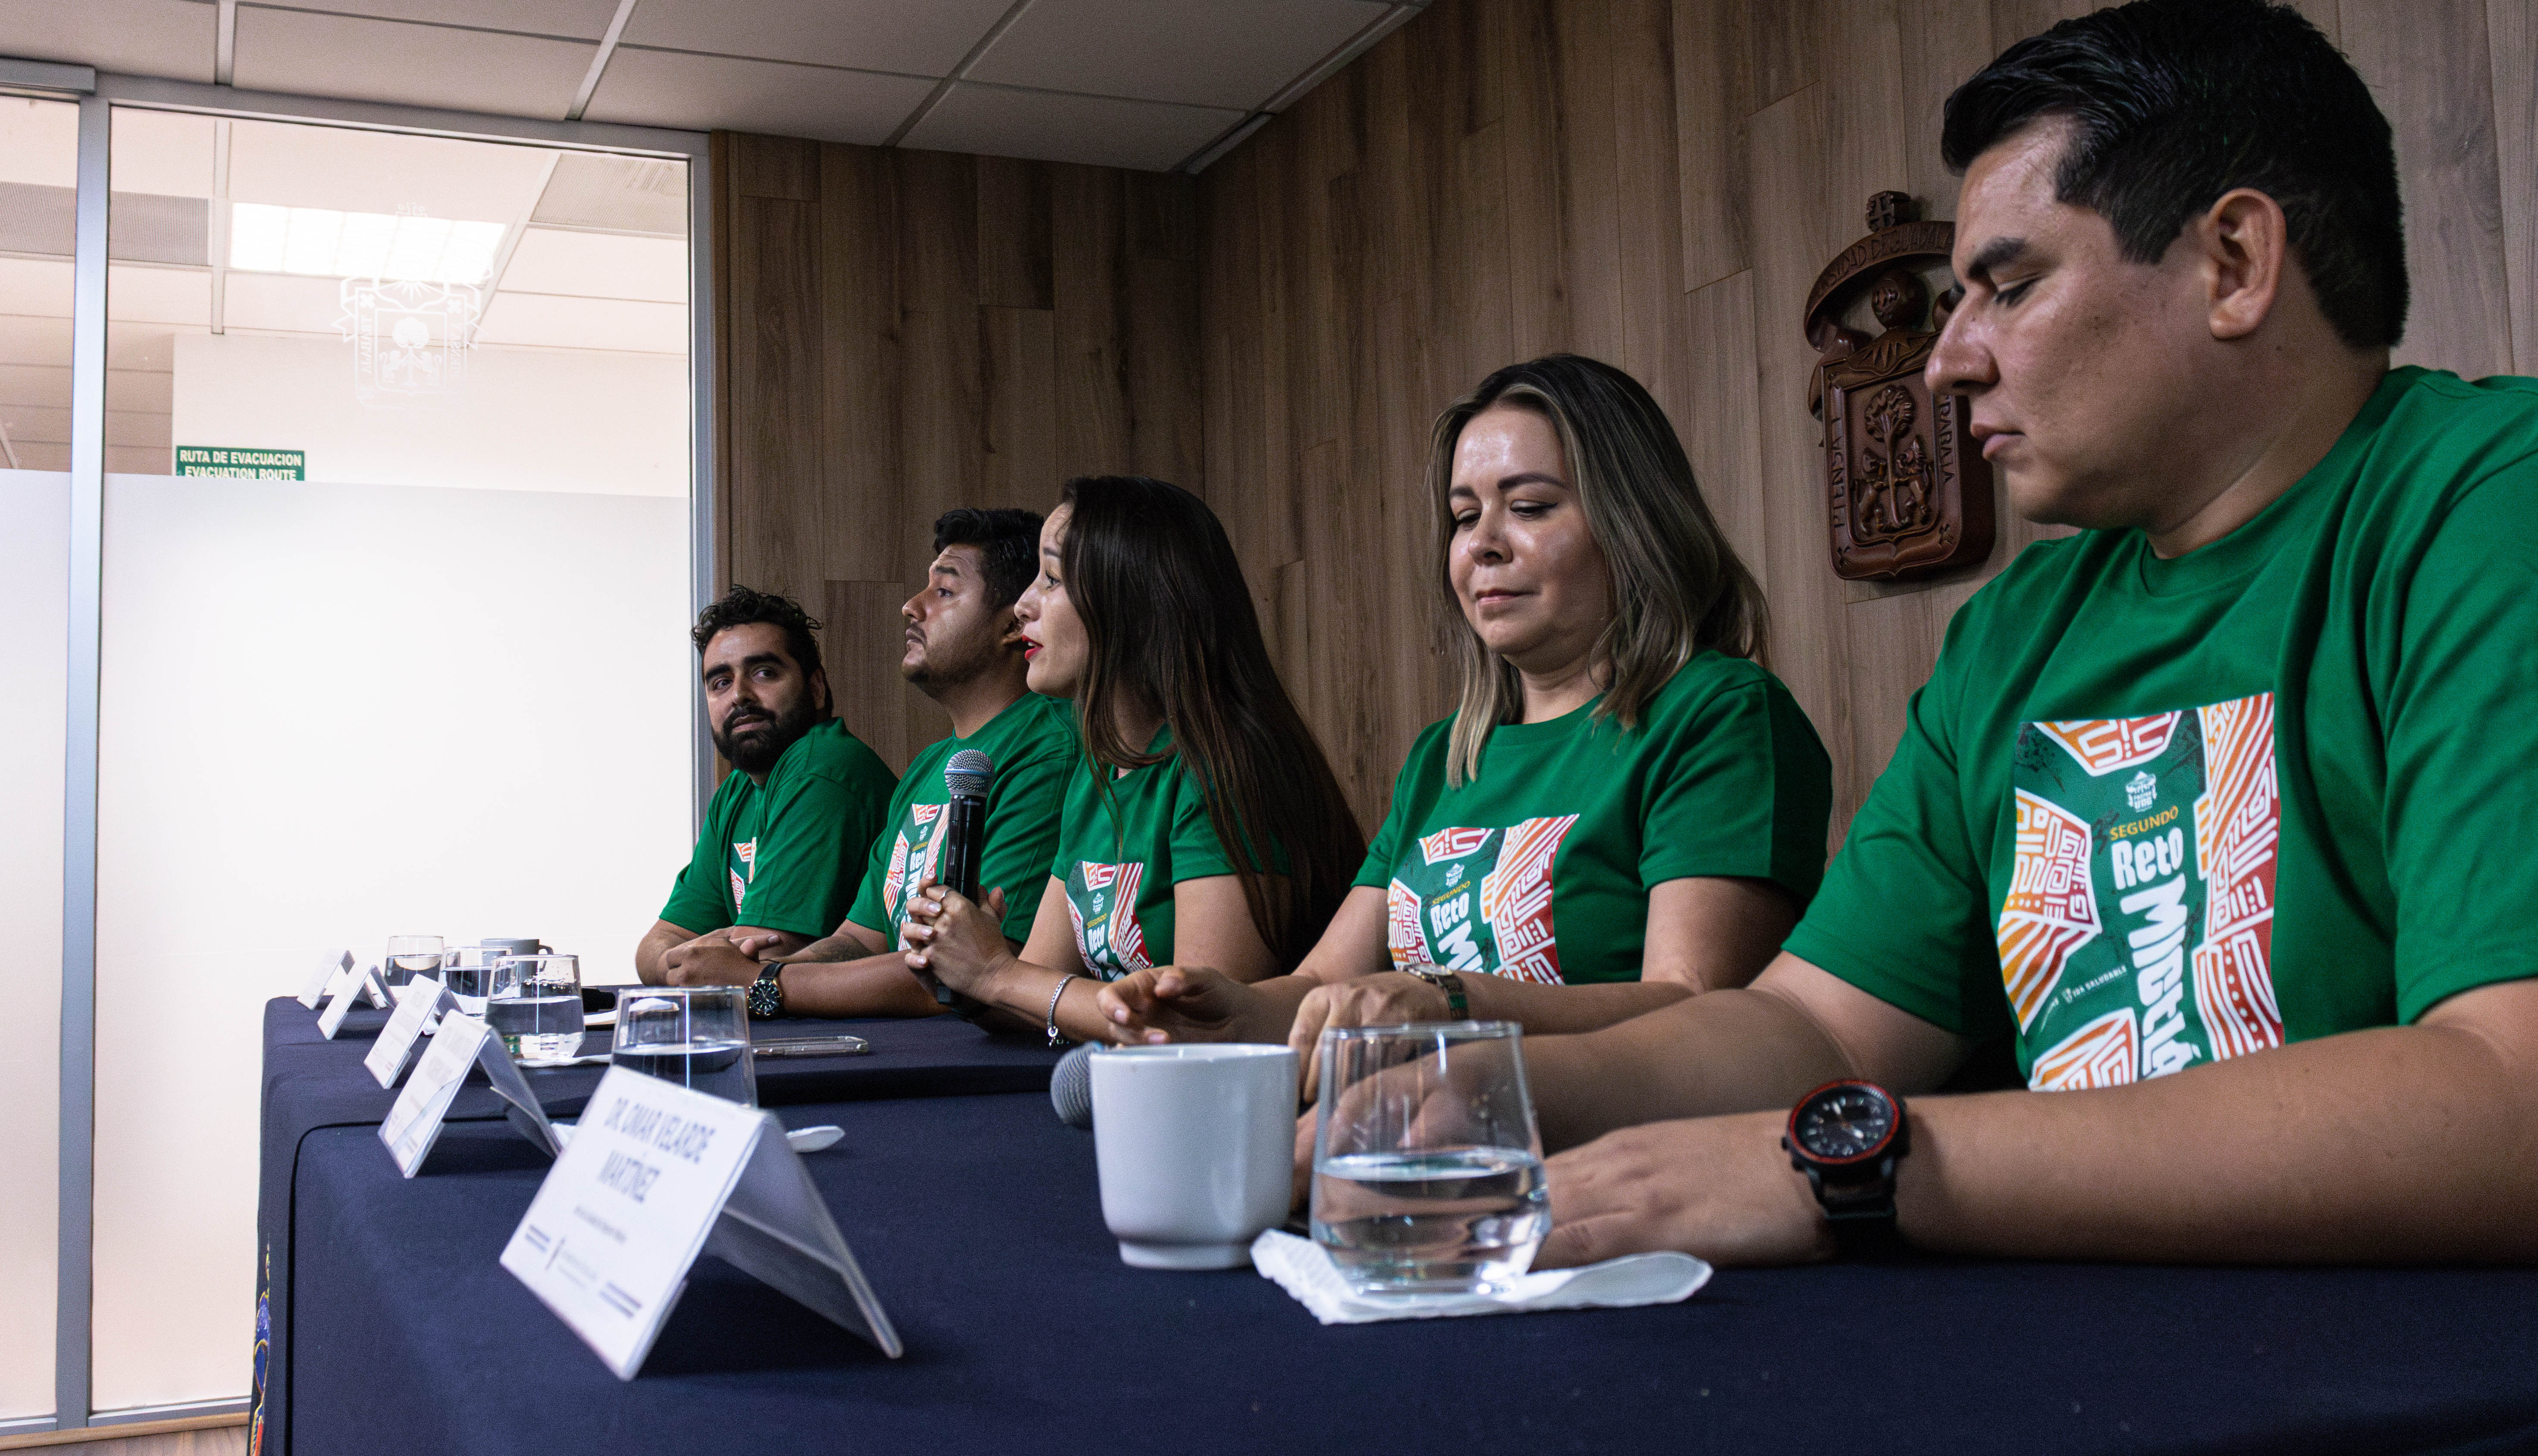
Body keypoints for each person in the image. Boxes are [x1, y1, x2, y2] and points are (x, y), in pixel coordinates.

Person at [1517, 0, 2538, 1271]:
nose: (1944, 361)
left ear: (2230, 263)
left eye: (2006, 285)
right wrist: (1485, 1079)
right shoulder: (2014, 627)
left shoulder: (2488, 500)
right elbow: (1820, 1034)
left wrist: (1874, 1164)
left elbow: (2510, 1102)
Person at [1097, 355, 1833, 1072]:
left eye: (1531, 507)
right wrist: (1221, 1005)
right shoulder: (1444, 753)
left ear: (1636, 522)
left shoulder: (1721, 714)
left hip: (1619, 1164)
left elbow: (1699, 1006)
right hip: (1421, 1144)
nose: (1481, 544)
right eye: (1463, 516)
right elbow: (1323, 984)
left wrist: (1453, 1001)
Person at [900, 475, 1366, 1044]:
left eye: (1050, 580)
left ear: (1131, 602)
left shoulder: (1222, 770)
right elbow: (1040, 989)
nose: (1022, 607)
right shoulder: (1100, 773)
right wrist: (963, 970)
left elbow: (1200, 1027)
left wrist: (997, 974)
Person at [659, 510, 1080, 1018]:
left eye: (944, 592)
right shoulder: (929, 766)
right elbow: (859, 938)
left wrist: (762, 983)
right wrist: (760, 974)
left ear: (1013, 622)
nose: (911, 606)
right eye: (718, 681)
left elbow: (984, 969)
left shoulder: (1048, 748)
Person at [635, 587, 895, 984]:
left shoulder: (821, 768)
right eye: (720, 682)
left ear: (816, 688)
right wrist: (699, 961)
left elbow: (767, 953)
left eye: (764, 673)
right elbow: (655, 947)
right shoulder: (736, 793)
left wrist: (701, 959)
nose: (739, 695)